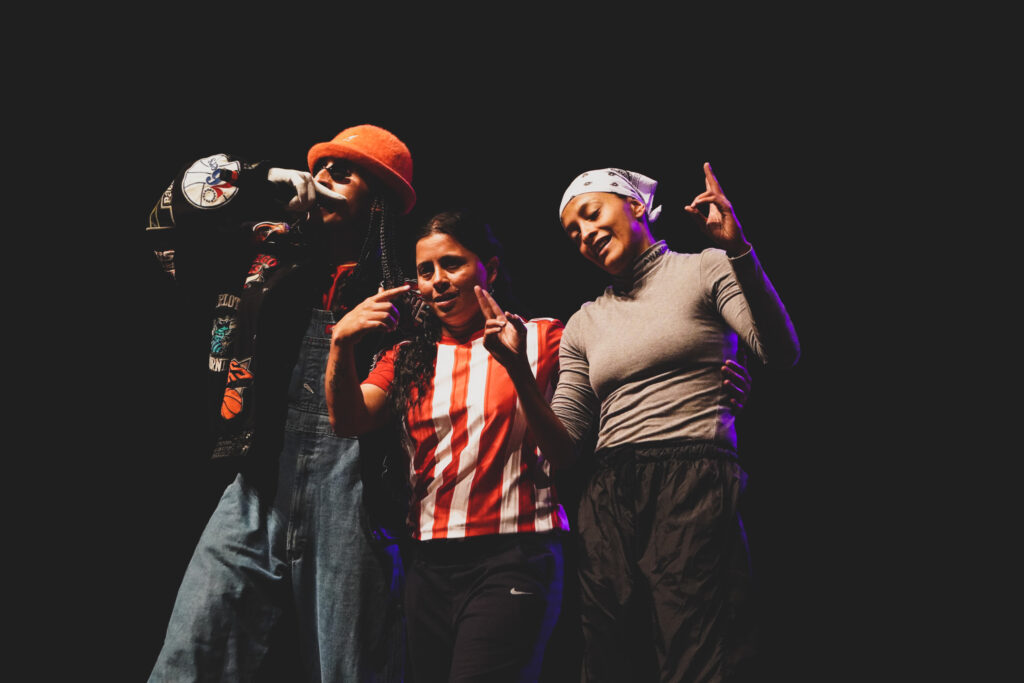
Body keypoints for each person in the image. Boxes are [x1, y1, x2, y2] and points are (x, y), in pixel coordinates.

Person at [145, 124, 418, 682]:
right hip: (256, 483)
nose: (325, 176)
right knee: (188, 658)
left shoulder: (405, 296)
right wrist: (258, 179)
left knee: (351, 668)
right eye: (321, 167)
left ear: (379, 203)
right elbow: (164, 224)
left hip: (356, 498)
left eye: (346, 172)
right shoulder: (263, 258)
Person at [544, 164, 802, 682]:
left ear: (636, 206)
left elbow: (778, 352)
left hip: (692, 474)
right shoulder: (584, 322)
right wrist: (516, 371)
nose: (585, 235)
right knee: (609, 651)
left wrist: (739, 249)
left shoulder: (705, 268)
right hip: (608, 488)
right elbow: (565, 443)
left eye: (591, 215)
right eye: (573, 233)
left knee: (696, 644)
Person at [326, 208, 579, 682]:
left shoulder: (544, 338)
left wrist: (517, 368)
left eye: (452, 264)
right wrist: (341, 343)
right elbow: (348, 419)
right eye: (426, 271)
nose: (438, 280)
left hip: (515, 554)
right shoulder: (406, 358)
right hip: (427, 565)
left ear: (491, 269)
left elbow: (567, 450)